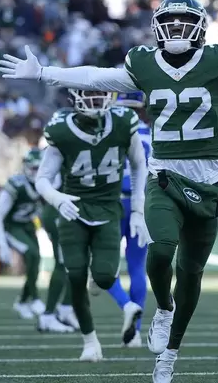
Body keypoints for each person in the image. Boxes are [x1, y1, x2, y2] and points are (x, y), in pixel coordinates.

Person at [0, 0, 218, 380]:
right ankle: (162, 308)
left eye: (186, 22)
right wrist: (45, 72)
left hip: (209, 180)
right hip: (164, 174)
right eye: (172, 21)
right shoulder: (144, 63)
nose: (178, 29)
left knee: (192, 273)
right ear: (158, 27)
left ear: (200, 28)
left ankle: (169, 353)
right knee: (162, 249)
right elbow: (97, 76)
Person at [34, 89, 149, 361]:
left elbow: (138, 165)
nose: (95, 100)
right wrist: (57, 198)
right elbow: (43, 178)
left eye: (99, 94)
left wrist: (137, 209)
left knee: (105, 276)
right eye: (89, 94)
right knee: (75, 276)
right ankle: (89, 341)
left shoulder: (123, 123)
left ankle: (116, 301)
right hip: (73, 208)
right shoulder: (61, 129)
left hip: (110, 209)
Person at [86, 92, 152, 348]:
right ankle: (134, 332)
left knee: (100, 266)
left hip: (111, 203)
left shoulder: (107, 132)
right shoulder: (152, 135)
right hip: (141, 204)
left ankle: (126, 305)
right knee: (137, 267)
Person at [0, 149, 46, 319]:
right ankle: (34, 298)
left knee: (36, 259)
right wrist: (1, 244)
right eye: (33, 168)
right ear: (26, 167)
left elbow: (42, 211)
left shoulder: (45, 183)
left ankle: (22, 301)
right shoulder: (16, 184)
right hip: (12, 226)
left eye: (39, 168)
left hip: (28, 226)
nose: (36, 172)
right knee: (32, 254)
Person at [38, 170, 80, 333]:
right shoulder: (60, 149)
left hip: (71, 209)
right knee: (63, 263)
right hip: (60, 210)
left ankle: (65, 309)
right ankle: (47, 316)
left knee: (77, 263)